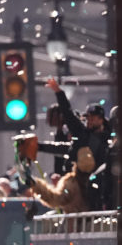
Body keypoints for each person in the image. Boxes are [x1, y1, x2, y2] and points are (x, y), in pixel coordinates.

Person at [39, 77, 112, 209]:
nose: (89, 121)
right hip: (77, 183)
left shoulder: (109, 140)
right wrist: (58, 92)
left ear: (101, 120)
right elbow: (68, 114)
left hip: (100, 186)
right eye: (88, 118)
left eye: (93, 118)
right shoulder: (81, 133)